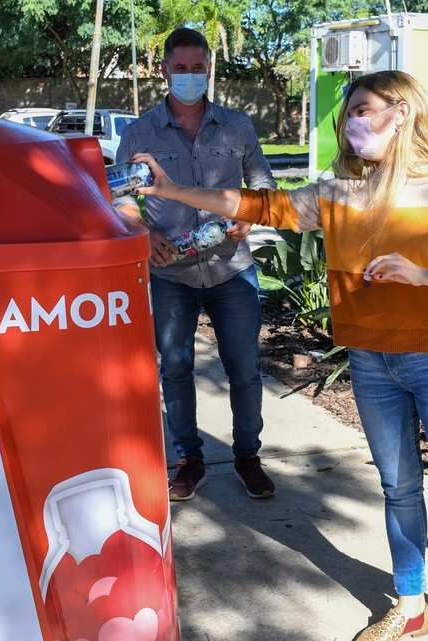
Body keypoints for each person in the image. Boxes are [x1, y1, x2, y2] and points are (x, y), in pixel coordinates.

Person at [132, 70, 428, 641]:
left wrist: (425, 274)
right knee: (398, 489)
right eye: (349, 113)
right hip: (369, 361)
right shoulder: (341, 190)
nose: (352, 123)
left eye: (363, 110)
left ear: (401, 111)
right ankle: (411, 609)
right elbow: (262, 204)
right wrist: (174, 190)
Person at [113, 28, 277, 501]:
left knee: (244, 369)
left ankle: (248, 456)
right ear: (164, 70)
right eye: (180, 68)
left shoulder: (237, 126)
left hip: (231, 268)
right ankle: (189, 458)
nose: (189, 76)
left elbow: (262, 185)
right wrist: (146, 235)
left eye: (197, 67)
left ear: (209, 68)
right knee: (177, 369)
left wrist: (250, 212)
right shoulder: (139, 132)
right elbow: (119, 198)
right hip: (171, 275)